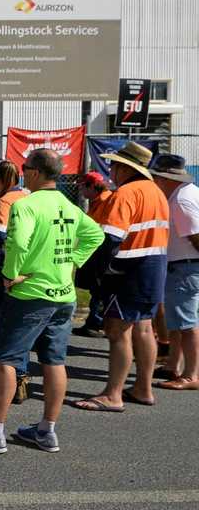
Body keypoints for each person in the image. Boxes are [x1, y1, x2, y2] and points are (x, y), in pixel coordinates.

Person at [0, 149, 104, 453]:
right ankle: (47, 429)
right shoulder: (70, 205)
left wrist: (10, 275)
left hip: (30, 295)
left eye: (25, 168)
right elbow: (95, 235)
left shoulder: (27, 206)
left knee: (4, 359)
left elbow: (18, 243)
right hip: (63, 295)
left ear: (34, 172)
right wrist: (73, 260)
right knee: (54, 361)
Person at [75, 142, 171, 412]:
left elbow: (111, 240)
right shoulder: (156, 192)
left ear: (125, 168)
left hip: (128, 271)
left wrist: (90, 272)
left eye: (114, 165)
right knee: (143, 328)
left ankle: (113, 394)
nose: (111, 170)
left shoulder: (126, 194)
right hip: (154, 268)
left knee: (116, 329)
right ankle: (143, 388)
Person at [151, 154, 199, 390]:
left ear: (164, 177)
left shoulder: (181, 200)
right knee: (178, 321)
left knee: (187, 323)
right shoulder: (186, 194)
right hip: (183, 265)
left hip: (185, 266)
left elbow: (196, 236)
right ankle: (174, 365)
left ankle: (191, 374)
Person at [0, 161, 29, 329]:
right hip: (22, 254)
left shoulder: (4, 200)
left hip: (1, 255)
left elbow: (0, 233)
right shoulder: (25, 194)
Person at [73, 172, 114, 338]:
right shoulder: (97, 201)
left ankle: (97, 322)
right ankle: (94, 321)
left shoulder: (106, 201)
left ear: (92, 186)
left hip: (104, 251)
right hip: (97, 250)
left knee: (101, 289)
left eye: (83, 186)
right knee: (95, 288)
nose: (81, 190)